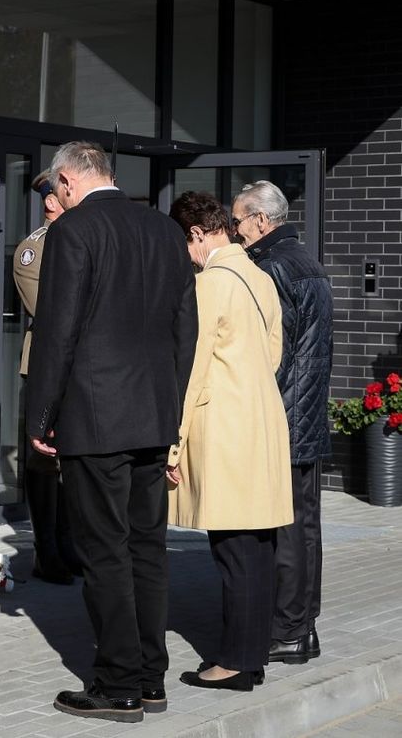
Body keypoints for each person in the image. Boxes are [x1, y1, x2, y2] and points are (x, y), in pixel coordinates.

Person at [25, 141, 198, 723]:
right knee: (146, 549)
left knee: (104, 553)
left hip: (96, 418)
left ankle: (119, 683)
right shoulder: (164, 231)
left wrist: (41, 415)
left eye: (58, 187)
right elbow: (185, 331)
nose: (59, 196)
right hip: (151, 415)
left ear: (69, 182)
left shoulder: (74, 232)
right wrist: (170, 409)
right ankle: (151, 676)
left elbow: (58, 331)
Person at [164, 191, 293, 692]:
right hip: (262, 422)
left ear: (198, 233)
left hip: (226, 429)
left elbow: (192, 369)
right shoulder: (260, 277)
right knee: (256, 550)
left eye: (185, 243)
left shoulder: (211, 284)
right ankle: (251, 656)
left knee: (235, 552)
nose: (186, 254)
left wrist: (173, 445)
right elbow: (275, 353)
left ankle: (236, 664)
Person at [232, 180, 334, 666]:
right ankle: (303, 628)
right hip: (308, 412)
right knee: (304, 526)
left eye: (237, 222)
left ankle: (288, 631)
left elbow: (272, 351)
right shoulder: (308, 261)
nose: (235, 233)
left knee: (286, 529)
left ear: (260, 220)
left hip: (282, 416)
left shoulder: (271, 267)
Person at [12, 169, 78, 585]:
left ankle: (69, 544)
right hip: (48, 366)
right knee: (44, 460)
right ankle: (46, 549)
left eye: (56, 195)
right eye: (47, 197)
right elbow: (53, 312)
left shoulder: (86, 239)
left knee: (74, 459)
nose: (51, 203)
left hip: (85, 367)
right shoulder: (33, 250)